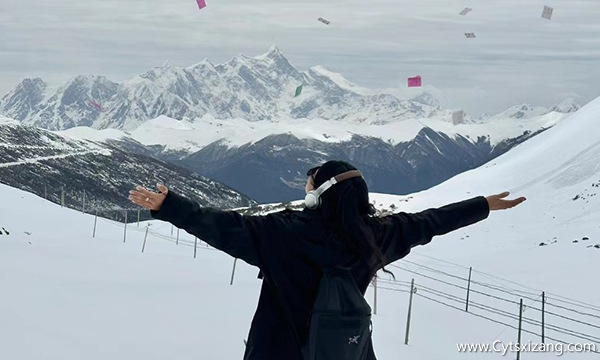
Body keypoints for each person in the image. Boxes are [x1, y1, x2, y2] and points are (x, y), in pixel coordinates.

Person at [128, 160, 526, 360]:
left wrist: (170, 207)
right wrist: (482, 205)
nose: (305, 188)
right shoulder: (376, 236)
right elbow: (430, 222)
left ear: (321, 193)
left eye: (309, 183)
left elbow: (220, 226)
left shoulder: (281, 233)